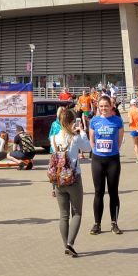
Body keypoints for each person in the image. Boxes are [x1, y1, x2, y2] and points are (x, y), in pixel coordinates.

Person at [50, 107, 91, 257]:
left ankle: (65, 244)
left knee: (63, 215)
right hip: (73, 179)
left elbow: (54, 161)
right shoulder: (75, 137)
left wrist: (53, 186)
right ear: (73, 122)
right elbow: (87, 148)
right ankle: (70, 243)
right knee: (77, 213)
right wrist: (82, 132)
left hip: (59, 180)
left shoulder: (53, 138)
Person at [88, 96, 124, 234]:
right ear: (98, 107)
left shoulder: (117, 120)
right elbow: (92, 140)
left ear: (111, 106)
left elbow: (119, 140)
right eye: (101, 106)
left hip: (113, 160)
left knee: (113, 192)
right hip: (98, 160)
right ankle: (97, 224)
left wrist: (113, 150)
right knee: (98, 192)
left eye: (106, 106)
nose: (103, 108)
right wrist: (97, 151)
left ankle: (114, 223)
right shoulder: (94, 121)